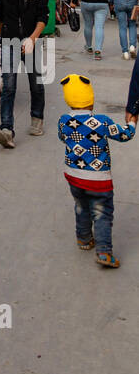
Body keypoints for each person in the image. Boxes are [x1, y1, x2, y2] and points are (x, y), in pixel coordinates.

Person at [59, 73, 134, 268]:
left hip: (73, 176)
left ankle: (84, 239)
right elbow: (125, 135)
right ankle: (104, 252)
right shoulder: (102, 121)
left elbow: (63, 137)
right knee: (101, 213)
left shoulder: (64, 120)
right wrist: (132, 122)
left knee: (81, 206)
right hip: (98, 180)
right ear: (90, 100)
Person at [0, 0, 49, 149]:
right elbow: (1, 17)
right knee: (8, 86)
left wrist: (32, 38)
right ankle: (7, 129)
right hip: (9, 41)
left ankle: (37, 117)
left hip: (32, 39)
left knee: (36, 84)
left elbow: (44, 14)